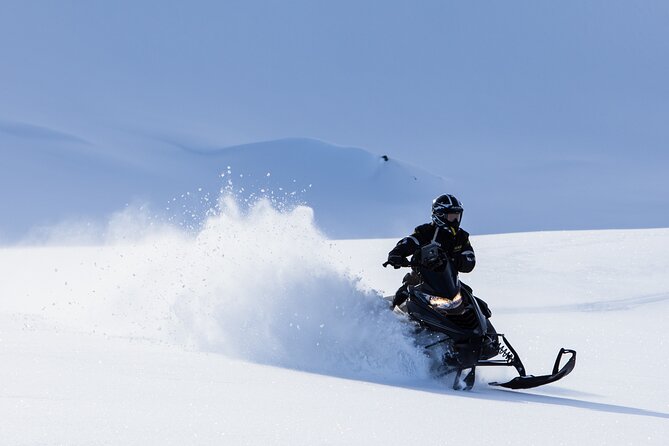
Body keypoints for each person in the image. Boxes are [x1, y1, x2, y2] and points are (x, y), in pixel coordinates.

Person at [386, 194, 476, 308]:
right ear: (439, 215)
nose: (455, 220)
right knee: (401, 297)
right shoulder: (425, 231)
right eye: (452, 216)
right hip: (421, 280)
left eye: (457, 216)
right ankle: (390, 322)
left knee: (475, 303)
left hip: (450, 283)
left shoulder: (462, 236)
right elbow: (410, 241)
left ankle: (483, 326)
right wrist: (396, 254)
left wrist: (450, 259)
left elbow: (470, 259)